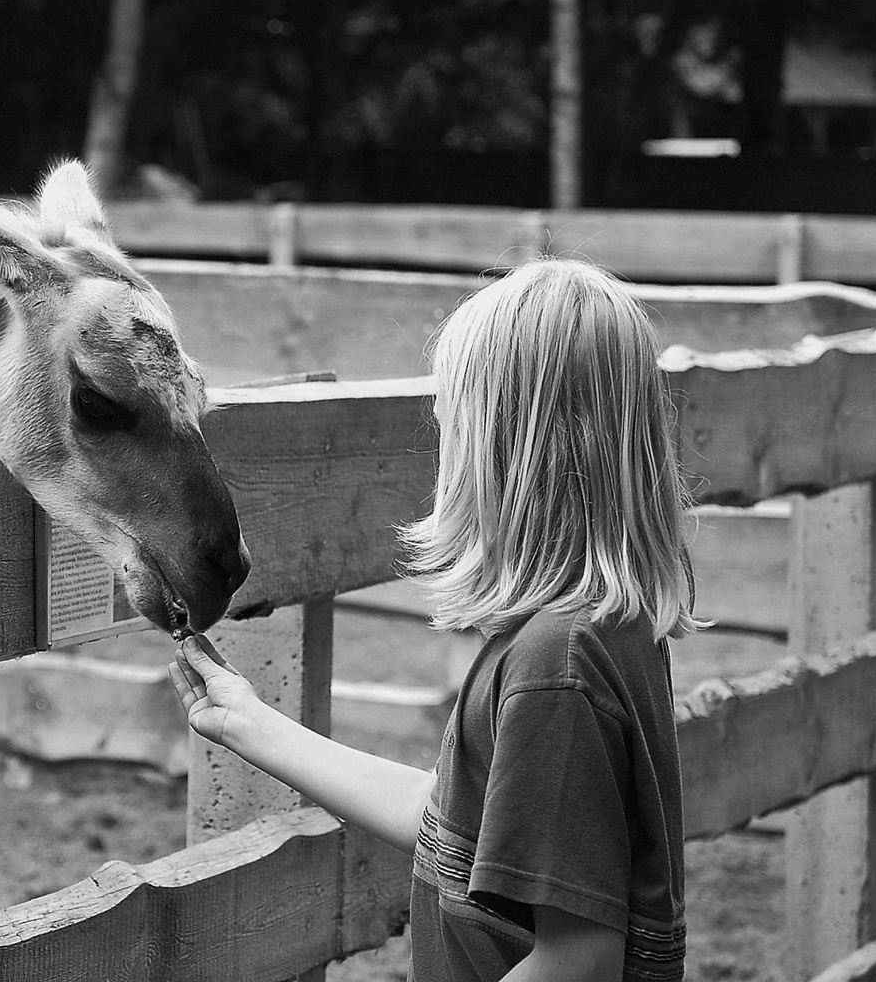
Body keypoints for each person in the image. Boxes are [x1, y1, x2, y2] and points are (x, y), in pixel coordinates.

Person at [169, 257, 696, 982]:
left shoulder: (556, 669)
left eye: (453, 421)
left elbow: (581, 958)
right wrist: (246, 723)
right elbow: (449, 816)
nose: (443, 439)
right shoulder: (599, 633)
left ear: (507, 448)